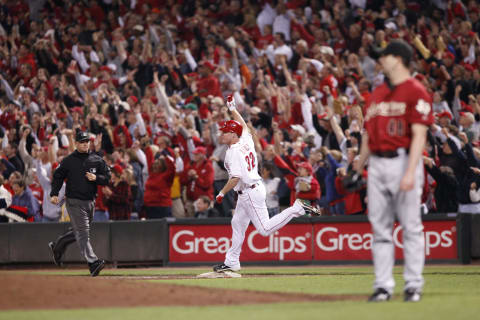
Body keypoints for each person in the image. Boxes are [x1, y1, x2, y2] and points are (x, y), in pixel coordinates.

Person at [354, 40, 434, 302]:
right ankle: (383, 286)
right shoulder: (376, 94)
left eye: (385, 56)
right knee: (380, 229)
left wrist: (411, 172)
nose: (381, 60)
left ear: (398, 59)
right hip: (377, 163)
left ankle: (413, 285)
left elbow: (419, 135)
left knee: (411, 226)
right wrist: (358, 164)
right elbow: (367, 133)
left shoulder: (416, 91)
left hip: (403, 160)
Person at [213, 96, 320, 273]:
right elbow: (244, 126)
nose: (221, 134)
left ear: (233, 134)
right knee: (237, 223)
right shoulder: (245, 140)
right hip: (252, 188)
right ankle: (232, 261)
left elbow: (235, 178)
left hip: (248, 191)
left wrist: (222, 193)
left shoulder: (233, 153)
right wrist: (232, 109)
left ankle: (298, 208)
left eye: (225, 131)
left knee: (264, 229)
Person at [48, 131, 111, 277]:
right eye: (82, 141)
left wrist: (96, 177)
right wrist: (54, 193)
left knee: (80, 232)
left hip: (90, 201)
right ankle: (93, 262)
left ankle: (57, 246)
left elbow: (107, 178)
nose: (85, 143)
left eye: (87, 141)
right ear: (76, 143)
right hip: (74, 201)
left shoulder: (96, 159)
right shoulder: (69, 160)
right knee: (83, 232)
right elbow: (58, 176)